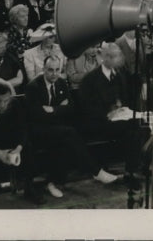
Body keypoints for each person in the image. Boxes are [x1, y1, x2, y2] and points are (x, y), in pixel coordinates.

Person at [24, 54, 120, 199]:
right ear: (43, 69)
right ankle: (96, 171)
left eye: (57, 69)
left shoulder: (61, 83)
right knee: (69, 133)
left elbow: (71, 108)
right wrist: (60, 108)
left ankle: (52, 182)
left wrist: (53, 109)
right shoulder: (33, 87)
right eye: (50, 70)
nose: (54, 73)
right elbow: (37, 115)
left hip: (57, 129)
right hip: (38, 131)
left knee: (66, 140)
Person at [77, 41, 146, 187]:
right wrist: (107, 113)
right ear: (105, 58)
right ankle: (132, 172)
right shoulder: (90, 80)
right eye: (116, 57)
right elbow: (85, 108)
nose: (119, 60)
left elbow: (127, 97)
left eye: (119, 56)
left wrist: (123, 109)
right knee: (133, 127)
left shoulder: (121, 74)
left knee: (141, 123)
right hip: (99, 122)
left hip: (119, 119)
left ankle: (136, 168)